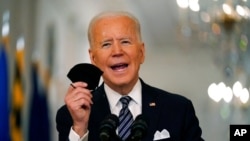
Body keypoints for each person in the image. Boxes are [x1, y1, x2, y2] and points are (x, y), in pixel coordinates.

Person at [56, 11, 204, 141]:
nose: (117, 51)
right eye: (106, 44)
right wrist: (80, 127)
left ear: (141, 52)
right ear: (93, 58)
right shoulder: (71, 115)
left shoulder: (178, 109)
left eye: (125, 42)